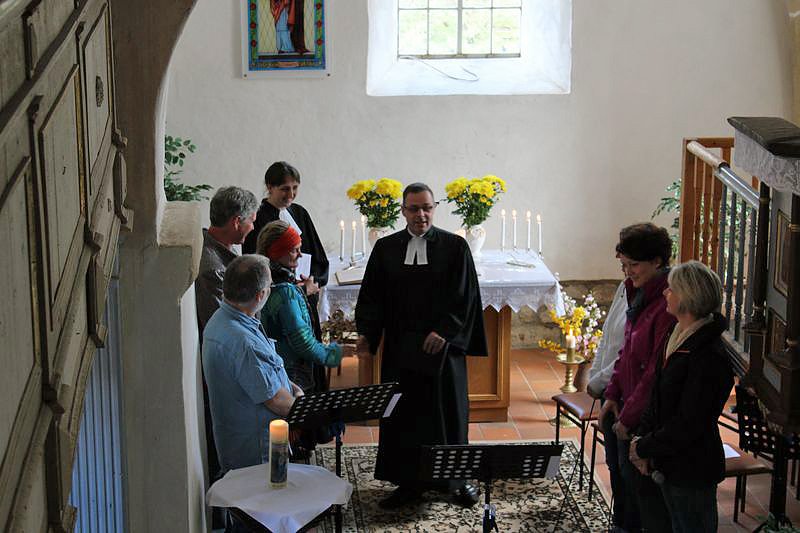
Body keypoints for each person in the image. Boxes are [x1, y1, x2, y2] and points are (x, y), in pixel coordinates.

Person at [355, 182, 488, 509]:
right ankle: (407, 483)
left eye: (427, 207)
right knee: (404, 416)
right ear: (403, 211)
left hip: (441, 352)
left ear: (434, 208)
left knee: (448, 416)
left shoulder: (455, 247)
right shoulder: (386, 248)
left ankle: (455, 481)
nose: (421, 215)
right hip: (401, 350)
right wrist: (366, 334)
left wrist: (444, 331)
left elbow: (466, 297)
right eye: (414, 208)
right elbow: (372, 296)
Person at [630, 261, 734, 532]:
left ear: (688, 297)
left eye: (671, 289)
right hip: (667, 458)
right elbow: (658, 393)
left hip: (692, 467)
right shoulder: (676, 334)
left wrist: (644, 447)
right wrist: (643, 438)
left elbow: (689, 422)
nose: (666, 293)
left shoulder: (708, 356)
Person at [598, 223, 676, 533]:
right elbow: (626, 351)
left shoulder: (667, 305)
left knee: (641, 496)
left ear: (657, 261)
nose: (628, 272)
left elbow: (653, 371)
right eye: (624, 265)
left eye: (634, 265)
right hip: (623, 406)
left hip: (643, 417)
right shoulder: (637, 292)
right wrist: (612, 395)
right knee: (621, 482)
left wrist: (627, 419)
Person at [194, 186, 258, 529]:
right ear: (237, 221)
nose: (252, 227)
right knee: (232, 454)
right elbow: (231, 322)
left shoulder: (219, 252)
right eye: (250, 221)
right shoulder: (211, 265)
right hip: (227, 369)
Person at [257, 220, 344, 456]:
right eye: (294, 249)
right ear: (278, 252)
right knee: (296, 441)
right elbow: (301, 339)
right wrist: (332, 354)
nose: (299, 254)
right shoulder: (284, 290)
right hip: (294, 373)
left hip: (282, 367)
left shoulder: (269, 280)